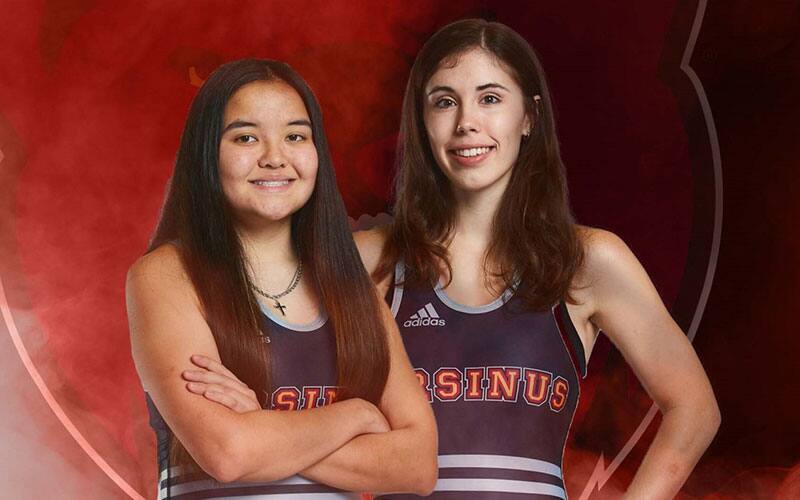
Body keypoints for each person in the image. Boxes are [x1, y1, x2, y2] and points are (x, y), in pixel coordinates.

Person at [353, 19, 720, 499]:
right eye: (444, 101)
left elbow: (694, 409)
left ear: (529, 116)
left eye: (490, 98)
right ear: (421, 122)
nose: (466, 121)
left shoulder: (587, 261)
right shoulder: (372, 260)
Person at [126, 59, 437, 499]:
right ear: (206, 154)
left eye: (295, 136)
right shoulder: (166, 275)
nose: (275, 158)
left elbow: (418, 467)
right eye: (246, 137)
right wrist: (356, 416)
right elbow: (228, 453)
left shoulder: (355, 293)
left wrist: (263, 425)